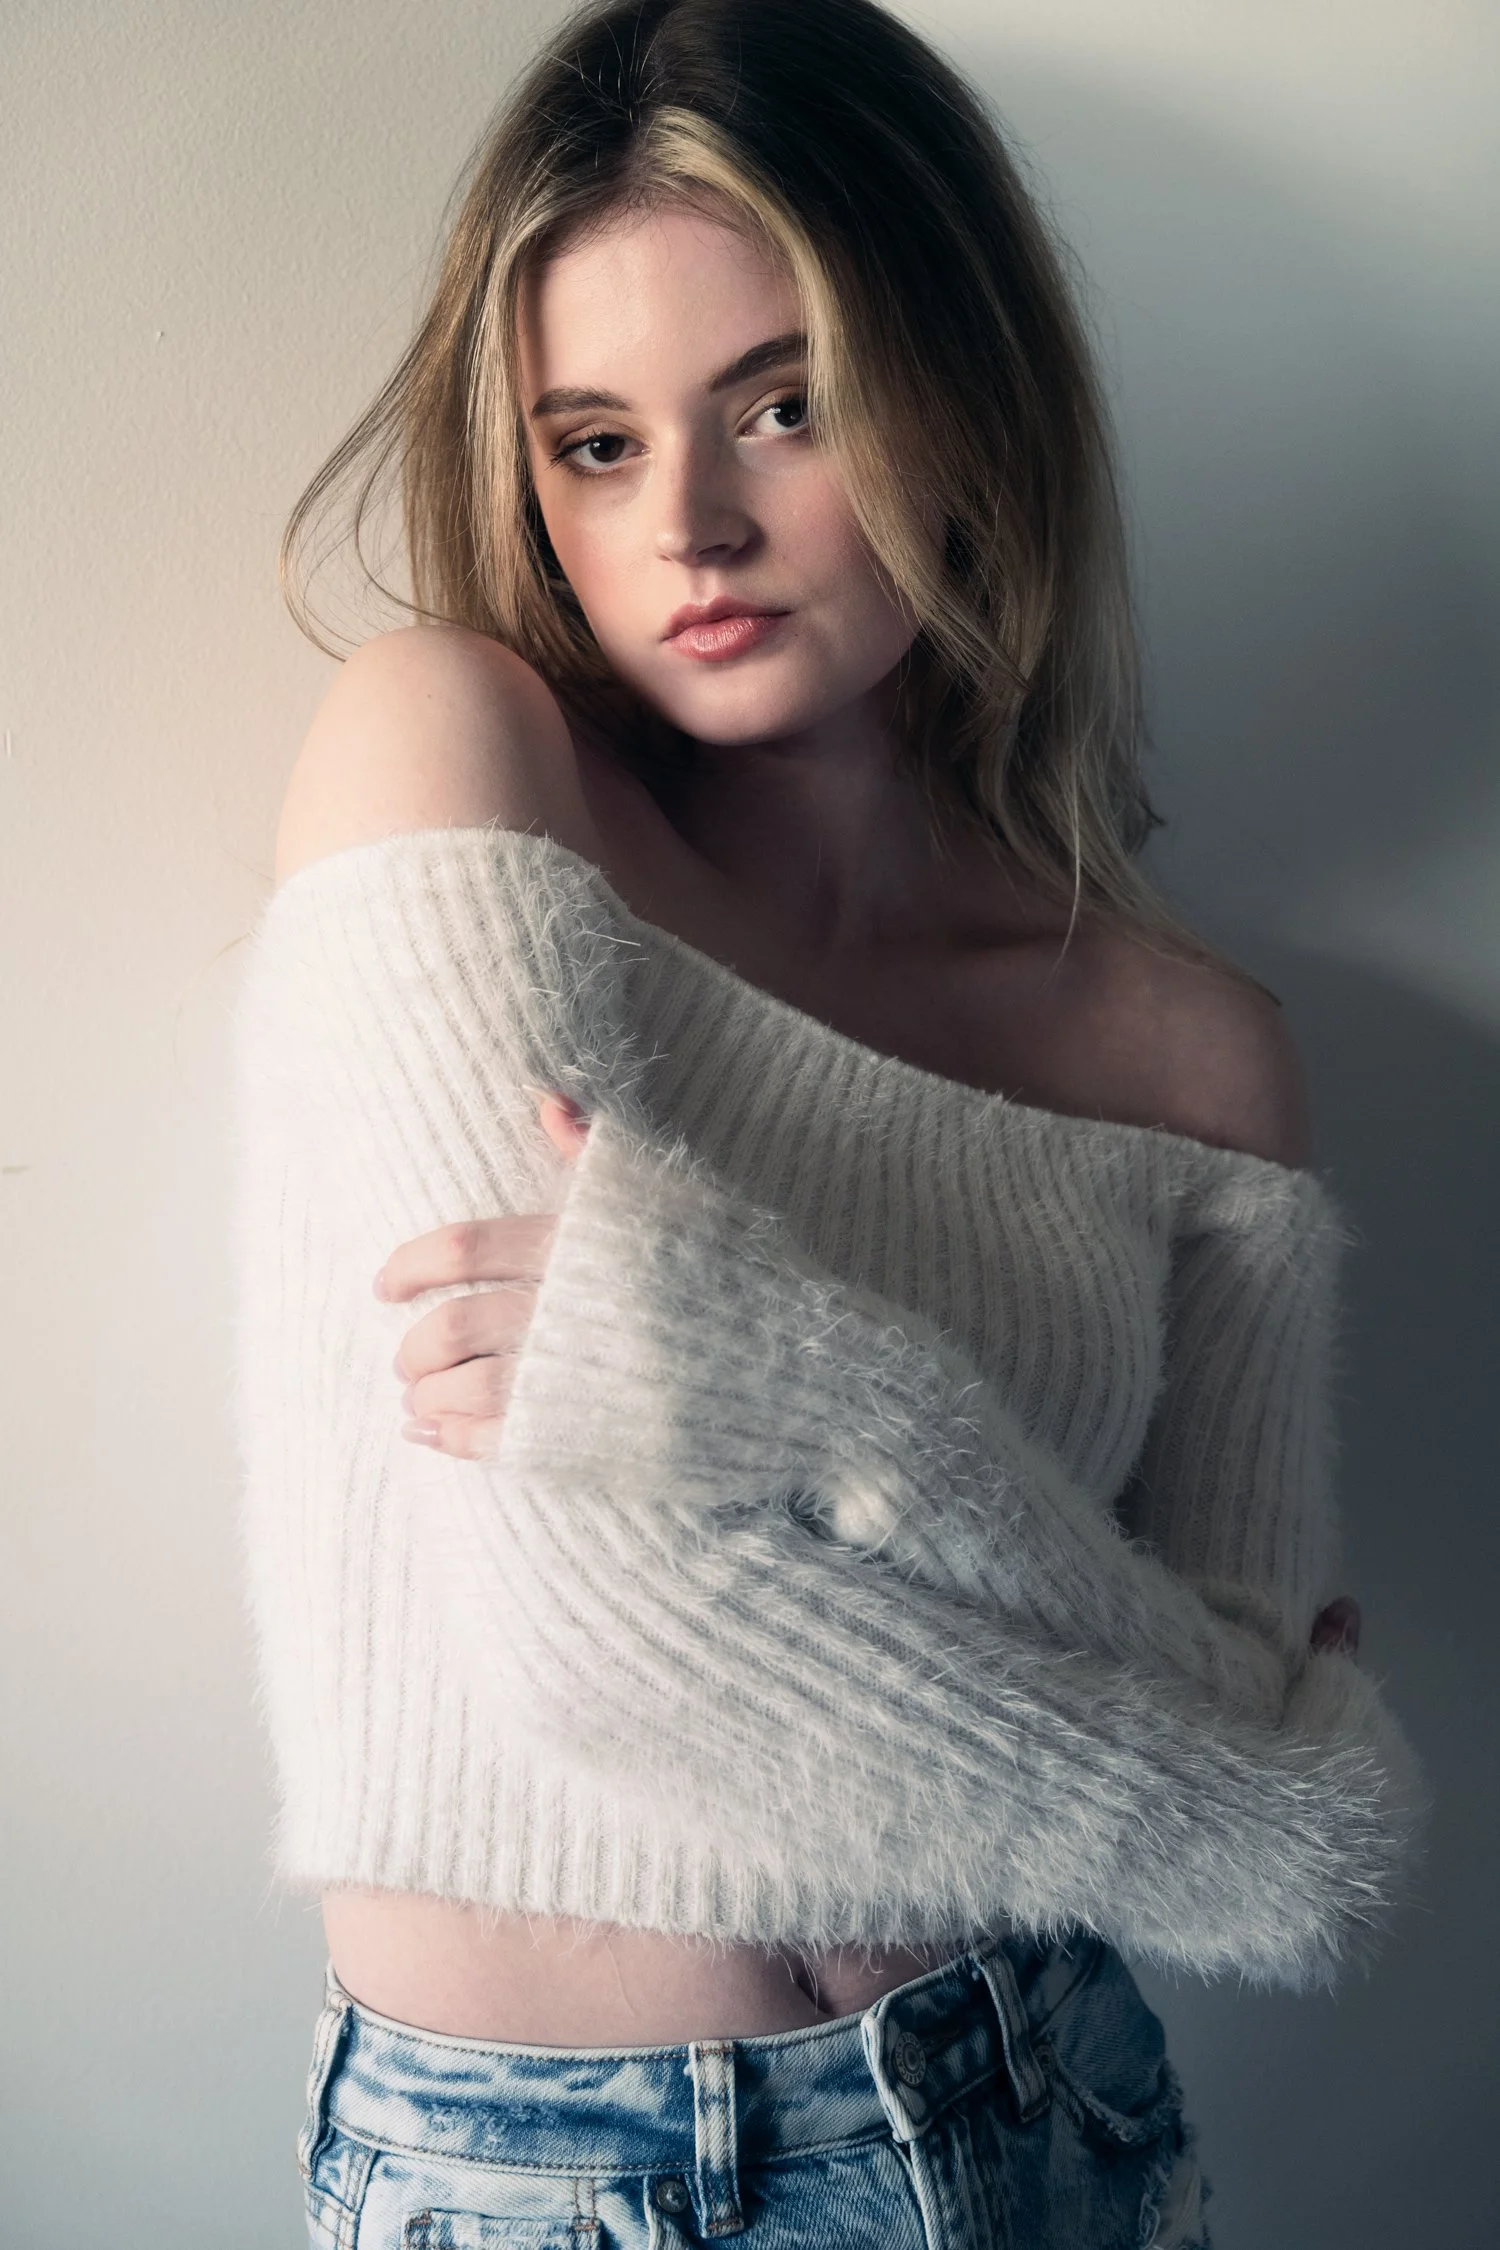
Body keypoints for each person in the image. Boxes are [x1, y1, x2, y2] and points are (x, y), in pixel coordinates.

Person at [233, 2, 1418, 2243]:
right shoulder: (450, 758)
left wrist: (854, 1409)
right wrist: (1242, 1780)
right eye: (592, 443)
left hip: (1056, 2117)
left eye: (787, 406)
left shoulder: (1196, 1058)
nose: (687, 519)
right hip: (548, 2178)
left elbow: (1272, 1756)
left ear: (963, 397)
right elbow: (601, 1646)